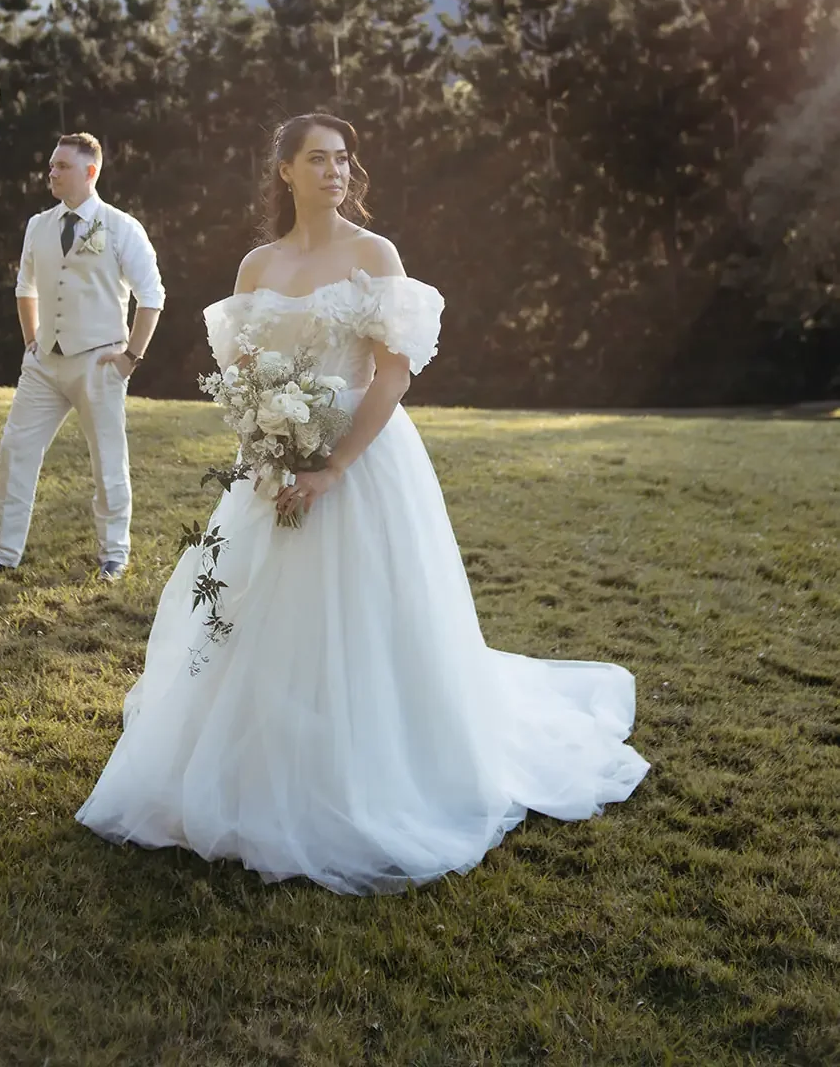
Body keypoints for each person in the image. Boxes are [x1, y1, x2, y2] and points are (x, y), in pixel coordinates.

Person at [76, 113, 648, 890]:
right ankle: (260, 759)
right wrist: (269, 455)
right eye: (317, 160)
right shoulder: (257, 266)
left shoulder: (373, 254)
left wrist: (332, 466)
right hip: (274, 460)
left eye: (343, 160)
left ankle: (367, 764)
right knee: (255, 613)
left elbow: (392, 375)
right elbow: (241, 378)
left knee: (365, 615)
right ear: (284, 171)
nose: (335, 172)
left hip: (364, 460)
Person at [0, 132, 164, 582]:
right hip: (43, 365)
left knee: (107, 459)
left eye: (62, 167)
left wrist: (132, 357)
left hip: (99, 364)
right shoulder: (39, 225)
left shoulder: (122, 227)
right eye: (51, 165)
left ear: (90, 172)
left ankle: (114, 555)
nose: (51, 173)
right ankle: (2, 553)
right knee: (15, 449)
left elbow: (152, 296)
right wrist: (32, 340)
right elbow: (24, 287)